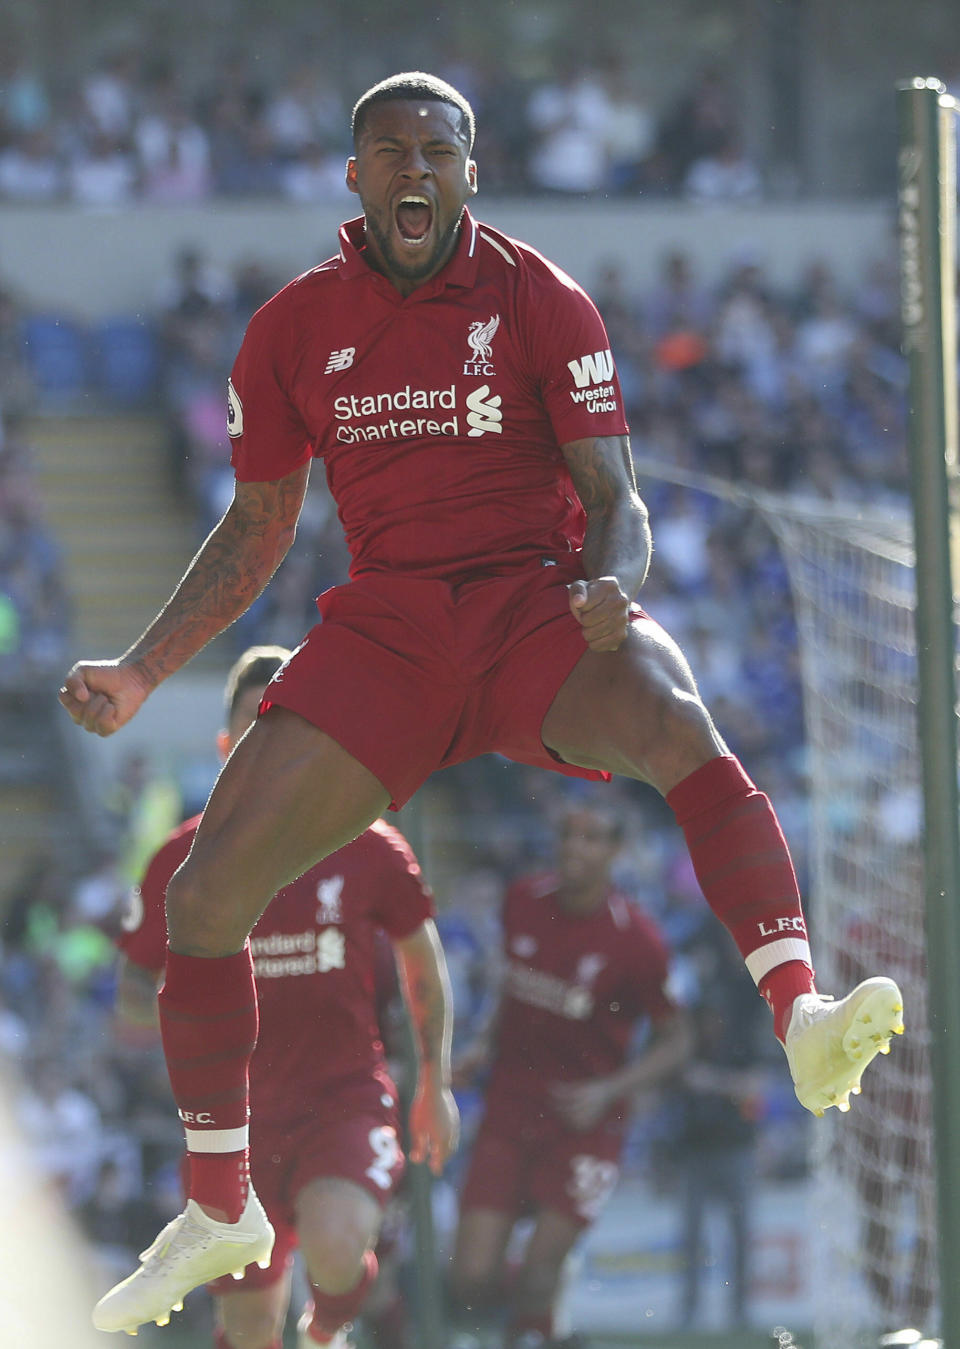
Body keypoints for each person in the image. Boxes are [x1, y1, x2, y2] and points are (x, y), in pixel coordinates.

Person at [58, 71, 904, 1336]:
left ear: (471, 168)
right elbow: (256, 528)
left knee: (678, 717)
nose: (414, 169)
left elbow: (617, 495)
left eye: (437, 151)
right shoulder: (293, 329)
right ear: (354, 177)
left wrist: (617, 586)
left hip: (530, 608)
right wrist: (139, 669)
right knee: (201, 896)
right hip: (391, 625)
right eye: (389, 150)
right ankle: (222, 1206)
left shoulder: (540, 297)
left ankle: (802, 1012)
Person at [110, 645, 458, 1349]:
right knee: (246, 1327)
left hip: (343, 1099)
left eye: (292, 724)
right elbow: (133, 991)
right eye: (255, 723)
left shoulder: (371, 846)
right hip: (233, 1126)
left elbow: (423, 958)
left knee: (335, 1247)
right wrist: (171, 1028)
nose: (273, 743)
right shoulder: (181, 861)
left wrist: (435, 1080)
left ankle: (328, 1331)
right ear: (223, 744)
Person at [448, 801, 690, 1349]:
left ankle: (539, 1321)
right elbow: (512, 991)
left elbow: (679, 1041)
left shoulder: (638, 942)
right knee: (470, 1276)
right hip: (510, 1104)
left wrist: (609, 1090)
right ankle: (551, 1331)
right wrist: (483, 1045)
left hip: (587, 1120)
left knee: (538, 1274)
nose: (575, 847)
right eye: (567, 834)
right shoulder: (521, 900)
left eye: (592, 837)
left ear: (616, 851)